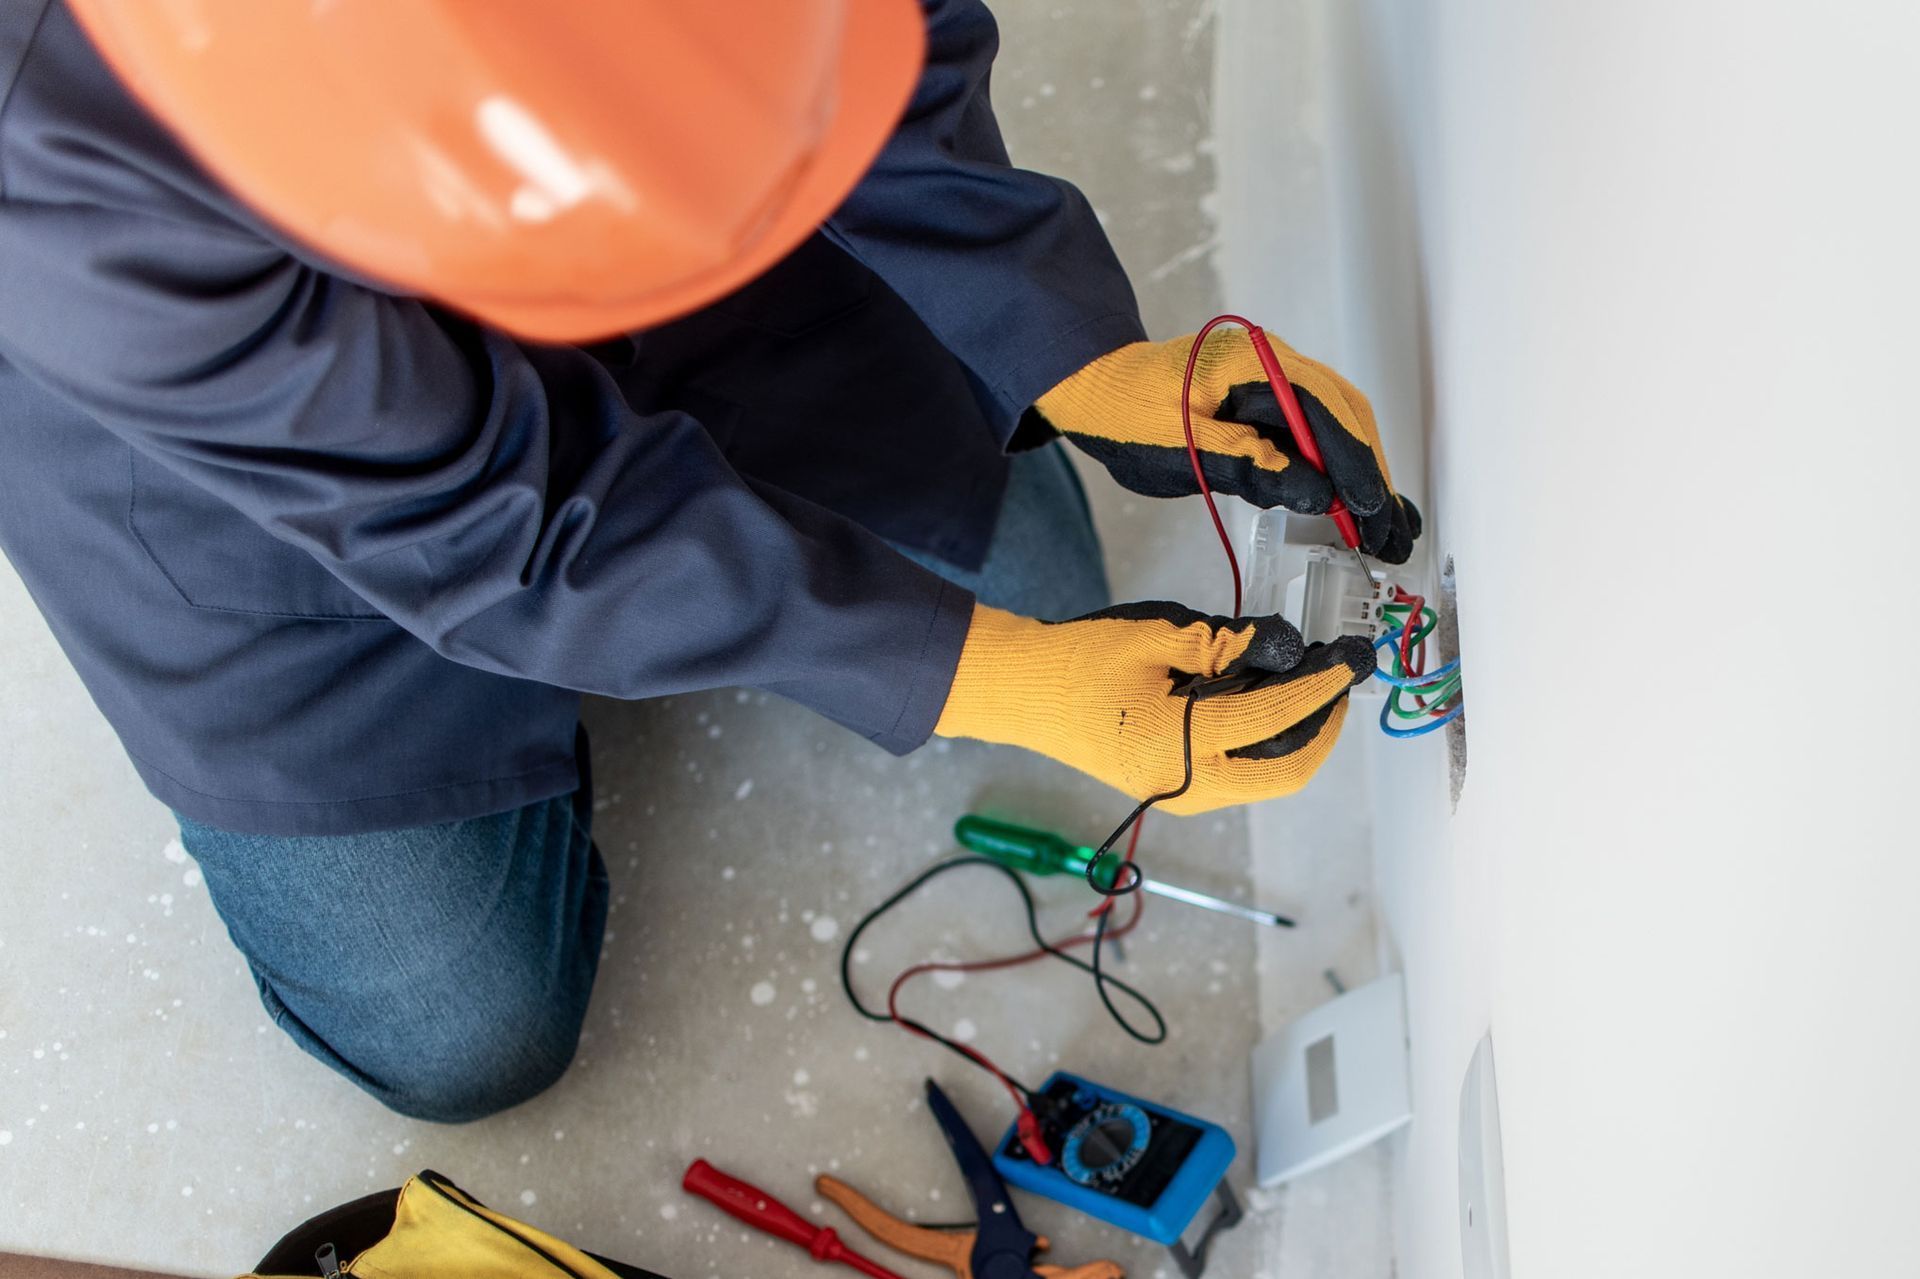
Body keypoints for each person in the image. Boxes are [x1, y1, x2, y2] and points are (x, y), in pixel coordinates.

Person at [0, 0, 1420, 1121]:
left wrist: (1074, 347)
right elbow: (501, 523)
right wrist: (1005, 685)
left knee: (1046, 587)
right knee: (466, 1039)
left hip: (677, 238)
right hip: (264, 493)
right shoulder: (57, 157)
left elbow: (876, 34)